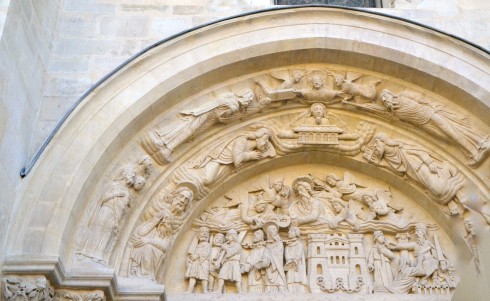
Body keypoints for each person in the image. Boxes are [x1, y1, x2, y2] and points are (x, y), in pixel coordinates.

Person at [143, 90, 255, 164]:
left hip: (207, 113)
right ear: (243, 95)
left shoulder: (230, 98)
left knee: (188, 128)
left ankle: (166, 143)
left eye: (250, 99)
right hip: (207, 114)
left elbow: (221, 108)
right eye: (249, 98)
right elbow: (221, 117)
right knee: (188, 130)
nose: (249, 100)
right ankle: (167, 145)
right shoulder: (234, 105)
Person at [379, 89, 489, 163]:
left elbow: (422, 99)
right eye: (382, 100)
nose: (384, 100)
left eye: (384, 96)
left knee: (453, 131)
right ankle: (472, 152)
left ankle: (480, 143)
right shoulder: (394, 113)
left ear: (390, 93)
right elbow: (409, 125)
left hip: (431, 115)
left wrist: (437, 108)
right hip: (425, 125)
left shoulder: (404, 95)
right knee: (448, 138)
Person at [79, 167, 136, 263]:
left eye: (133, 175)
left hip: (116, 216)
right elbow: (103, 198)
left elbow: (124, 210)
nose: (133, 176)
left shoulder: (127, 192)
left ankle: (99, 256)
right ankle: (87, 253)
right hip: (106, 209)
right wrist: (117, 193)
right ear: (124, 174)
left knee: (108, 233)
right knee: (98, 229)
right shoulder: (114, 185)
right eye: (131, 174)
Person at [189, 127, 276, 185]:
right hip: (216, 161)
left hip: (225, 165)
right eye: (265, 139)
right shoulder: (242, 140)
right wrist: (250, 156)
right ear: (257, 137)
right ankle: (190, 178)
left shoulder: (250, 149)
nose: (266, 143)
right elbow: (237, 160)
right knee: (208, 180)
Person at [128, 210, 172, 281]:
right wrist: (154, 222)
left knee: (148, 247)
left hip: (155, 256)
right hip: (142, 251)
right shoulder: (152, 229)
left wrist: (149, 241)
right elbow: (140, 233)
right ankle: (140, 274)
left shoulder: (166, 237)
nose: (165, 224)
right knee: (147, 247)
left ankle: (146, 275)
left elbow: (164, 246)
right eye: (163, 221)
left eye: (168, 223)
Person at [186, 227, 212, 293]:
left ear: (208, 236)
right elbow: (191, 253)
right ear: (198, 235)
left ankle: (205, 290)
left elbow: (206, 253)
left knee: (204, 276)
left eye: (206, 233)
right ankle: (190, 289)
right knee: (193, 275)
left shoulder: (208, 245)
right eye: (202, 232)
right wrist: (190, 258)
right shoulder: (196, 245)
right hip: (195, 262)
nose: (204, 234)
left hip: (203, 262)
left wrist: (197, 256)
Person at [264, 223, 288, 293]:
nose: (275, 231)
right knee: (268, 284)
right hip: (269, 268)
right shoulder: (267, 245)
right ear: (269, 233)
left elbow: (278, 254)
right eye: (273, 229)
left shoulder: (279, 244)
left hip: (277, 267)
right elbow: (266, 255)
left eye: (276, 229)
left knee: (281, 284)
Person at [284, 227, 308, 293]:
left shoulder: (299, 244)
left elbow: (298, 255)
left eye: (291, 231)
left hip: (297, 265)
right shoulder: (287, 245)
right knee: (290, 280)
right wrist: (289, 261)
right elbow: (287, 255)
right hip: (289, 266)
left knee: (298, 279)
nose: (288, 232)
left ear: (296, 233)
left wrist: (294, 260)